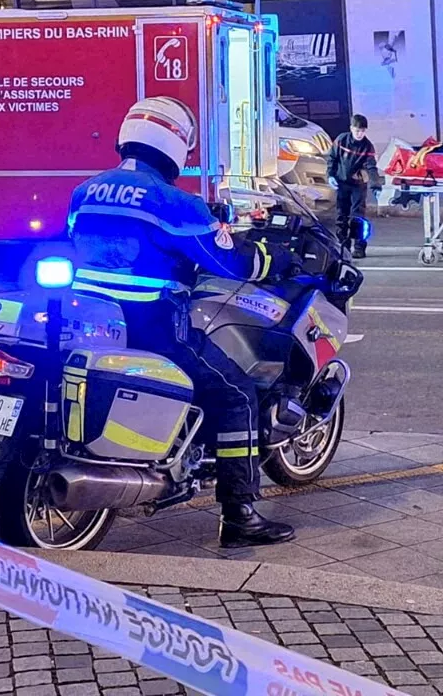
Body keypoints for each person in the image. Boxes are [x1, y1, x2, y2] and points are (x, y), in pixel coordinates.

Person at [66, 96, 296, 548]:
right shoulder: (174, 203)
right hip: (152, 327)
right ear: (175, 145)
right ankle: (240, 515)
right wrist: (274, 257)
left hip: (88, 323)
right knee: (236, 395)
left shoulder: (86, 190)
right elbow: (228, 262)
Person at [326, 114, 380, 258]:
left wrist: (376, 185)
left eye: (362, 131)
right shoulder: (341, 140)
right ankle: (343, 247)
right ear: (351, 129)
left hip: (358, 185)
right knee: (341, 216)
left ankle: (359, 248)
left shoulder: (367, 146)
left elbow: (371, 166)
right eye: (357, 130)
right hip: (342, 183)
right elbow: (332, 158)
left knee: (358, 216)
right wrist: (330, 175)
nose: (360, 133)